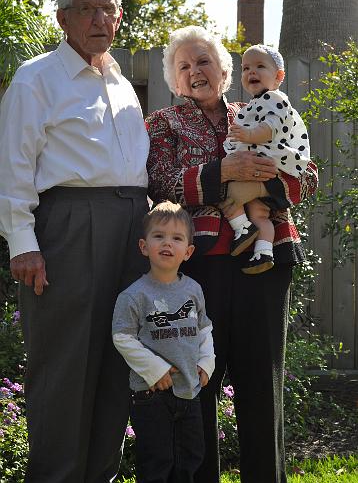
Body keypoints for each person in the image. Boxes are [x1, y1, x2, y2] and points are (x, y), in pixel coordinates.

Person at [145, 25, 318, 483]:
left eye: (204, 61)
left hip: (267, 263)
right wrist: (224, 171)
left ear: (225, 70)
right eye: (184, 67)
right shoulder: (162, 124)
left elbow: (307, 173)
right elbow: (160, 182)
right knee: (198, 383)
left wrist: (264, 183)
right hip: (199, 268)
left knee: (263, 384)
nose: (195, 72)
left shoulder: (266, 108)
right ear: (174, 81)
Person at [0, 0, 149, 482]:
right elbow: (12, 166)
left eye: (108, 8)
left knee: (118, 361)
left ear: (120, 16)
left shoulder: (124, 84)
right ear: (63, 18)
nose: (99, 18)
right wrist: (24, 242)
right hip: (68, 228)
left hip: (132, 228)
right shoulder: (36, 78)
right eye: (87, 8)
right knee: (65, 368)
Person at [112, 201, 215, 483]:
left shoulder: (193, 290)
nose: (167, 243)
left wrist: (206, 363)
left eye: (177, 238)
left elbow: (204, 328)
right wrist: (155, 370)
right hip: (151, 396)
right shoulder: (134, 295)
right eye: (159, 236)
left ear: (188, 251)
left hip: (189, 392)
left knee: (190, 458)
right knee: (157, 462)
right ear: (144, 246)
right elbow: (122, 337)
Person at [223, 44, 311, 274]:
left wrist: (248, 135)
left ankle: (243, 228)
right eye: (246, 68)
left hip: (272, 158)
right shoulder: (254, 104)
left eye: (260, 66)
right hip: (262, 162)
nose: (251, 72)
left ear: (279, 76)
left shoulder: (275, 98)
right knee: (259, 213)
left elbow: (270, 127)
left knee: (227, 193)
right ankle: (263, 251)